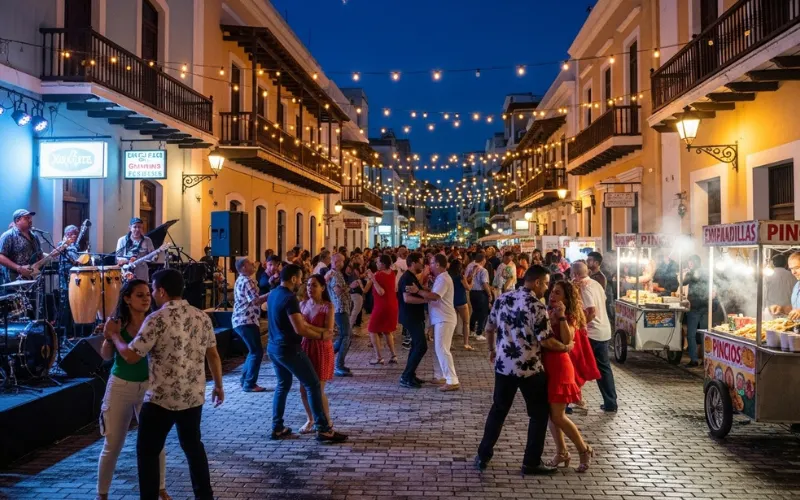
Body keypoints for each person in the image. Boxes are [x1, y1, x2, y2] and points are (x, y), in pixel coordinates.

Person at [104, 269, 224, 500]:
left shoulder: (157, 319)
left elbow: (131, 356)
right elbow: (213, 355)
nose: (151, 296)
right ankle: (204, 496)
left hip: (161, 399)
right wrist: (218, 385)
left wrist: (115, 336)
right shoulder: (201, 317)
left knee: (147, 452)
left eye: (153, 290)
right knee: (193, 448)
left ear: (161, 291)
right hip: (192, 397)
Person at [475, 265, 557, 476]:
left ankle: (483, 455)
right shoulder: (537, 306)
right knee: (538, 414)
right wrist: (566, 345)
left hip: (504, 365)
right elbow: (545, 340)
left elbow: (489, 328)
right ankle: (531, 461)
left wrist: (492, 350)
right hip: (530, 368)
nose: (546, 288)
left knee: (498, 411)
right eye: (546, 283)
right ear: (537, 282)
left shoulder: (503, 299)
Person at [96, 279, 169, 500]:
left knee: (156, 443)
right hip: (121, 386)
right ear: (127, 298)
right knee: (113, 444)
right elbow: (106, 356)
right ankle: (102, 494)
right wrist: (109, 337)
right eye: (140, 295)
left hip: (149, 387)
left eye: (148, 294)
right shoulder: (117, 322)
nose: (146, 298)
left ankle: (161, 488)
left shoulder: (154, 321)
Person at [266, 264, 347, 443]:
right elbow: (300, 328)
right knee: (313, 385)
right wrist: (321, 334)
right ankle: (323, 429)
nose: (303, 283)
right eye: (301, 278)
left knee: (283, 386)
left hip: (273, 348)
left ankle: (277, 427)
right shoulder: (290, 298)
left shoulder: (273, 293)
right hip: (289, 349)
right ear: (293, 278)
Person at [543, 280, 595, 472]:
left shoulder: (570, 316)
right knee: (552, 415)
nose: (552, 295)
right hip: (546, 366)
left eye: (558, 293)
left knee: (558, 416)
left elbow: (567, 340)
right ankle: (562, 452)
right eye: (552, 292)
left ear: (566, 298)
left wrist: (562, 317)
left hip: (560, 367)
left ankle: (583, 449)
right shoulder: (547, 311)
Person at [409, 253, 460, 392]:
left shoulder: (443, 278)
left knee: (442, 349)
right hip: (440, 318)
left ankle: (452, 379)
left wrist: (418, 291)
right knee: (438, 348)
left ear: (437, 264)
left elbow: (435, 296)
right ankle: (440, 375)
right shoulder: (440, 278)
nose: (429, 266)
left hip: (445, 318)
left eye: (431, 263)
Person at [572, 261, 618, 412]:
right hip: (604, 330)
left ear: (576, 274)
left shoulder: (585, 287)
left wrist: (580, 324)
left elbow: (591, 311)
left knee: (576, 365)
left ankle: (569, 401)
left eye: (572, 274)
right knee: (604, 367)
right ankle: (610, 402)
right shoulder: (595, 284)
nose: (571, 277)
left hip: (592, 332)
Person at [298, 275, 335, 434]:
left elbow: (329, 331)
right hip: (305, 346)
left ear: (322, 288)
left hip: (322, 349)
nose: (310, 289)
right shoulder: (302, 304)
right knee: (303, 389)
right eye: (308, 285)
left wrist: (306, 326)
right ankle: (310, 418)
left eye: (314, 285)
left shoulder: (328, 306)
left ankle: (326, 420)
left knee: (317, 389)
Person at [232, 258, 268, 393]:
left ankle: (245, 380)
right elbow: (255, 301)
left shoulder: (241, 279)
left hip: (244, 320)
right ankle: (250, 383)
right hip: (246, 320)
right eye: (250, 264)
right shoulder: (247, 281)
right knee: (257, 351)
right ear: (242, 268)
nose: (253, 265)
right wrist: (271, 294)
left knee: (253, 351)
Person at [398, 252, 428, 388]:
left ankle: (410, 374)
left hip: (415, 316)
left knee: (416, 345)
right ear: (414, 263)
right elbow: (407, 298)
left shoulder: (412, 277)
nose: (422, 264)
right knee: (421, 345)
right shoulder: (407, 278)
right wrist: (425, 300)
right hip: (410, 316)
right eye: (420, 262)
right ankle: (406, 376)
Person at [366, 255, 399, 364]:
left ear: (383, 264)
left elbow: (381, 292)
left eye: (378, 262)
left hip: (382, 305)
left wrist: (373, 278)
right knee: (387, 331)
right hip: (392, 304)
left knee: (372, 330)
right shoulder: (392, 273)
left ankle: (379, 357)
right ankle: (393, 355)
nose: (376, 264)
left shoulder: (379, 275)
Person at [325, 253, 353, 377]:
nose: (344, 263)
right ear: (337, 262)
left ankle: (329, 358)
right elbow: (337, 291)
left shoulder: (336, 273)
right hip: (340, 309)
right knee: (346, 336)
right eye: (342, 261)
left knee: (343, 337)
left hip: (342, 308)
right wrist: (350, 287)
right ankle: (338, 365)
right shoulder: (334, 274)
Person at [0, 209, 43, 283]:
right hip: (14, 280)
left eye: (30, 218)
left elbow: (39, 255)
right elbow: (1, 256)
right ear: (17, 221)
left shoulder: (34, 236)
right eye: (26, 218)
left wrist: (49, 257)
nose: (30, 220)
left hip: (32, 280)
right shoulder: (8, 235)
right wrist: (19, 268)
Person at [682, 255, 710, 367]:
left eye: (690, 263)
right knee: (704, 335)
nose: (689, 265)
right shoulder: (706, 272)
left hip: (694, 308)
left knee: (691, 335)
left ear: (693, 263)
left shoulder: (693, 272)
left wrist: (686, 272)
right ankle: (706, 360)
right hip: (705, 307)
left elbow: (683, 282)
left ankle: (694, 360)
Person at [116, 217, 156, 282]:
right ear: (130, 228)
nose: (137, 229)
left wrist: (154, 257)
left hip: (142, 273)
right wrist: (128, 260)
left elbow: (152, 255)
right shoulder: (122, 240)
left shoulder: (147, 240)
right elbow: (118, 257)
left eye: (139, 227)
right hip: (126, 273)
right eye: (135, 227)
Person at [467, 252, 492, 342]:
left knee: (475, 311)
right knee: (483, 313)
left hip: (472, 292)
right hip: (481, 293)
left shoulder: (470, 267)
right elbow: (484, 283)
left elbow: (467, 278)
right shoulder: (483, 270)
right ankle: (479, 333)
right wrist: (489, 294)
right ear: (483, 260)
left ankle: (472, 330)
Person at [449, 259, 473, 351]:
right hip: (462, 301)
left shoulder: (449, 276)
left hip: (452, 301)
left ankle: (450, 343)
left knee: (452, 324)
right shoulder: (460, 277)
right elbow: (468, 288)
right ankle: (466, 343)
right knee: (466, 322)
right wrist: (472, 281)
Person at [765, 253, 797, 320]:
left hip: (772, 312)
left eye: (797, 267)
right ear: (786, 264)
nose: (794, 271)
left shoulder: (767, 276)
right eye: (791, 268)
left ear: (772, 264)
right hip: (787, 313)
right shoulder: (794, 278)